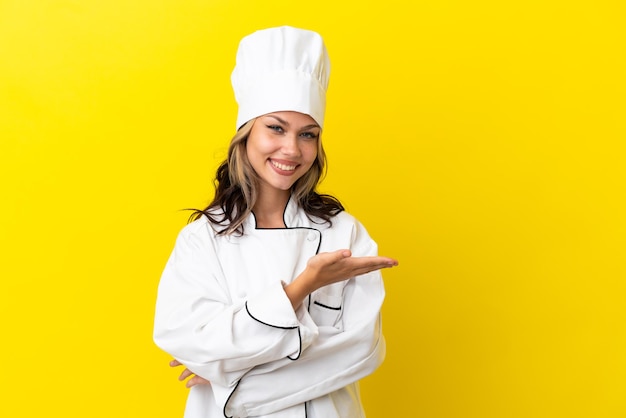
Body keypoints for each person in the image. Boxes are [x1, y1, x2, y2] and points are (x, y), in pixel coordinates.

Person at [153, 26, 398, 418]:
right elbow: (187, 339)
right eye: (276, 128)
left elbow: (361, 348)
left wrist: (228, 381)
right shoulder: (204, 239)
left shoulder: (343, 231)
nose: (292, 149)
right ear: (246, 133)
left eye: (308, 134)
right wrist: (304, 287)